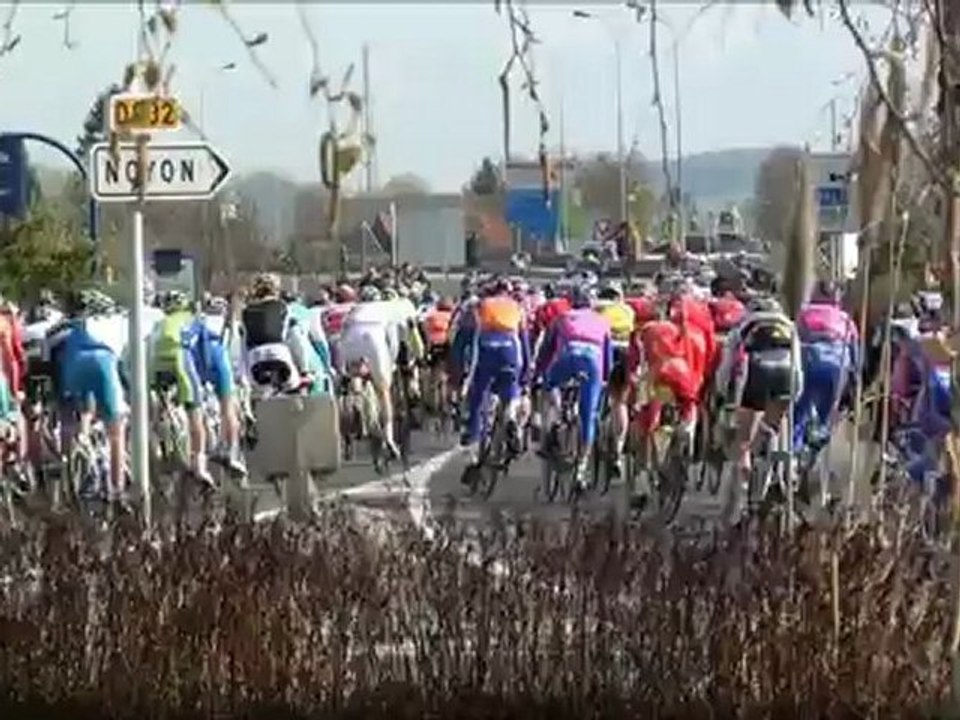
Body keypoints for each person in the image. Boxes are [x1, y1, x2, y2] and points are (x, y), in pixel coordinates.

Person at [714, 295, 801, 521]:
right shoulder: (789, 326)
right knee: (772, 425)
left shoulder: (743, 326)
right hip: (786, 377)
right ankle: (783, 472)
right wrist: (794, 396)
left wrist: (725, 394)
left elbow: (726, 368)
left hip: (757, 374)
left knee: (744, 440)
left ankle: (741, 494)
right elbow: (798, 367)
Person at [47, 289, 129, 507]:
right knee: (115, 430)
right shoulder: (117, 323)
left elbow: (50, 358)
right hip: (104, 364)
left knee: (72, 415)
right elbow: (123, 363)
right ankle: (117, 488)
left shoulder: (62, 327)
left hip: (72, 366)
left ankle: (70, 464)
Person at [535, 284, 612, 491]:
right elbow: (607, 356)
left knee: (549, 386)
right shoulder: (602, 321)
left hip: (567, 360)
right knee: (588, 416)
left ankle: (553, 426)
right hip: (592, 365)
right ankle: (582, 469)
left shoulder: (561, 318)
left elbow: (546, 351)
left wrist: (538, 373)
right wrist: (605, 380)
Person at [462, 277, 529, 467]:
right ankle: (510, 419)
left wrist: (459, 369)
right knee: (511, 389)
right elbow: (524, 342)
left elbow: (464, 339)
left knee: (478, 394)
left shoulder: (480, 305)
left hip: (486, 347)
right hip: (510, 349)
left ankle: (473, 441)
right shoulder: (517, 307)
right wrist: (525, 375)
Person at [792, 280, 859, 465]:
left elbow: (794, 342)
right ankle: (815, 453)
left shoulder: (805, 315)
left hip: (810, 365)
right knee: (826, 417)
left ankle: (793, 454)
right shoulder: (846, 321)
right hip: (837, 369)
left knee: (800, 409)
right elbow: (857, 356)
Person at [338, 285, 404, 459]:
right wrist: (391, 364)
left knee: (353, 381)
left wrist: (343, 368)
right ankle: (389, 437)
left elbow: (341, 338)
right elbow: (393, 342)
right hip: (374, 340)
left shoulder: (353, 310)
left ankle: (351, 415)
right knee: (384, 392)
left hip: (352, 339)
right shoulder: (385, 309)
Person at [240, 273, 313, 394]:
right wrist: (305, 370)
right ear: (276, 290)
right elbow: (297, 338)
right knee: (295, 387)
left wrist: (243, 376)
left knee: (260, 394)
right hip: (280, 354)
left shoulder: (245, 312)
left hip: (255, 358)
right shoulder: (283, 307)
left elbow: (243, 345)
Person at [593, 279, 636, 477]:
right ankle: (618, 450)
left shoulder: (597, 309)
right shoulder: (628, 310)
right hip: (625, 354)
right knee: (620, 403)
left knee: (596, 392)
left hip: (604, 353)